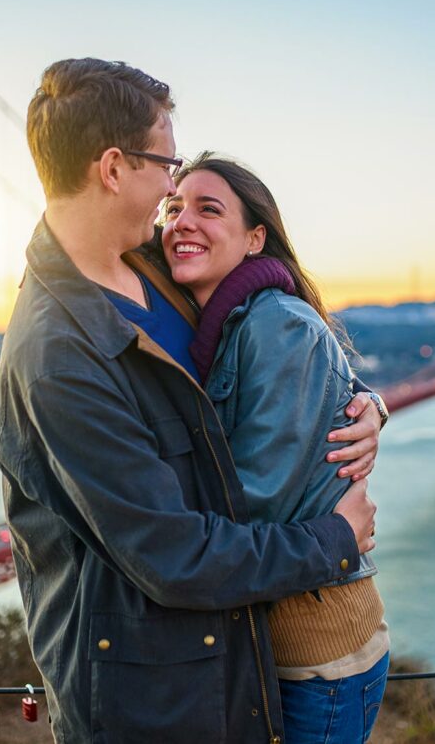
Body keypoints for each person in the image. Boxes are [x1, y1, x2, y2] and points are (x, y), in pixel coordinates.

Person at [0, 58, 385, 743]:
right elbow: (172, 554)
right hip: (153, 698)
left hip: (231, 660)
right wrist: (334, 541)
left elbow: (277, 344)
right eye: (165, 166)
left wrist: (362, 405)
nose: (173, 188)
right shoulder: (57, 355)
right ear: (113, 168)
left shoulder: (154, 267)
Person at [161, 153, 390, 743]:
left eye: (208, 209)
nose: (182, 221)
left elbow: (258, 500)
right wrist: (372, 402)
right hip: (273, 642)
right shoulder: (217, 323)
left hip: (317, 650)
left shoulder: (274, 324)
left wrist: (140, 519)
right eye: (172, 207)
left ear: (255, 238)